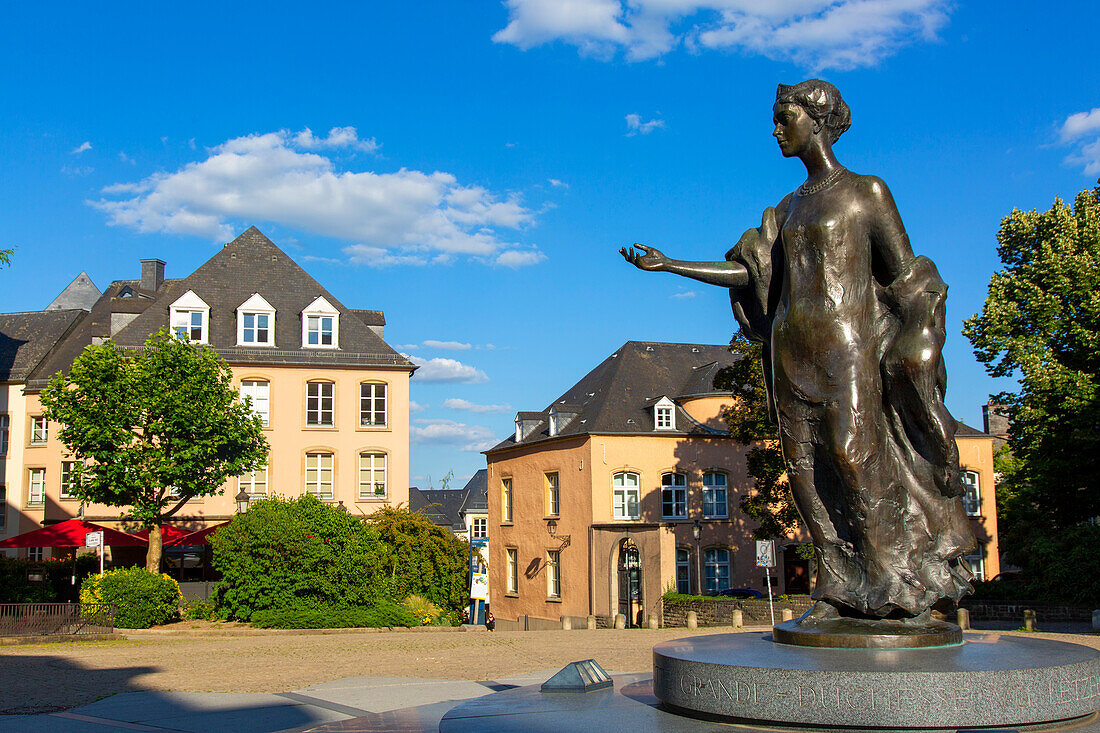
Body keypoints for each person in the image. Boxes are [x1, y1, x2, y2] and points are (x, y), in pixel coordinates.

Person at [621, 79, 975, 623]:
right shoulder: (786, 209)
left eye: (784, 117)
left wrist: (916, 343)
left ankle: (893, 582)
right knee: (806, 471)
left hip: (848, 349)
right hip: (790, 351)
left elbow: (907, 278)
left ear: (818, 118)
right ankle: (837, 587)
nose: (775, 128)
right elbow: (750, 273)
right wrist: (670, 265)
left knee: (854, 458)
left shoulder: (866, 192)